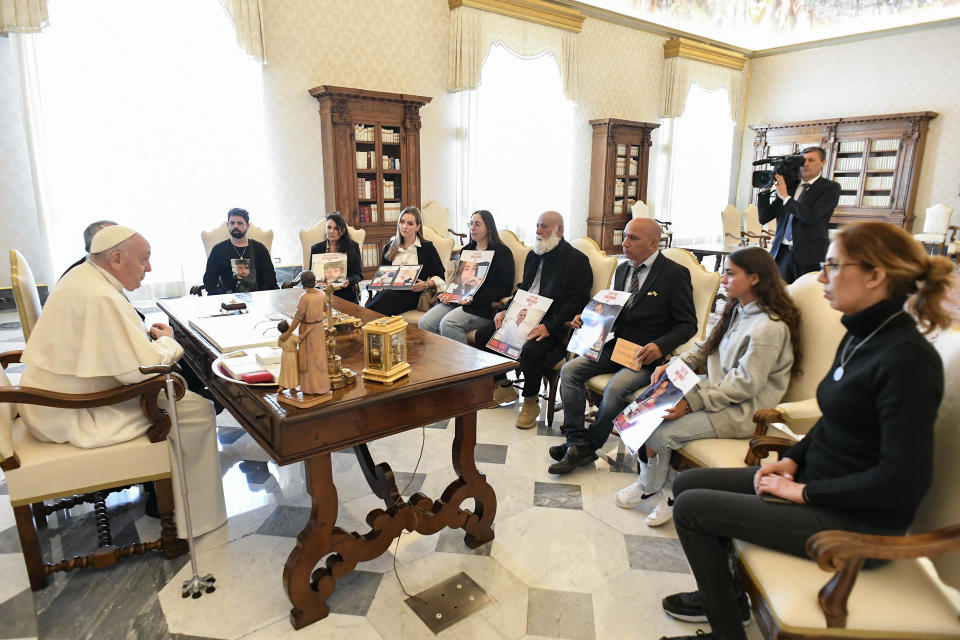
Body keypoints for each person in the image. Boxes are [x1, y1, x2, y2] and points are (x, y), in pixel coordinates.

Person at [657, 222, 954, 640]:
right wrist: (793, 461)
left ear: (875, 275)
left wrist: (804, 492)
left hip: (855, 521)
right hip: (822, 484)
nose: (821, 276)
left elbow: (903, 479)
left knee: (691, 510)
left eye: (833, 265)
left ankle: (727, 630)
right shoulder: (862, 335)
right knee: (688, 483)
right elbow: (834, 421)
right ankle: (727, 597)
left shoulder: (907, 359)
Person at [18, 225, 227, 538]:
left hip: (50, 403)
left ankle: (167, 495)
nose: (150, 268)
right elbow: (142, 371)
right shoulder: (100, 296)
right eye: (144, 259)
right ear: (116, 258)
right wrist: (170, 343)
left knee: (186, 398)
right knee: (195, 409)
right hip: (72, 412)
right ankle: (196, 518)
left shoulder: (82, 277)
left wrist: (143, 340)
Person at [615, 246, 801, 527]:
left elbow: (743, 386)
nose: (723, 278)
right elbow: (704, 349)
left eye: (730, 273)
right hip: (715, 393)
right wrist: (672, 366)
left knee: (658, 434)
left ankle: (657, 490)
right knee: (643, 410)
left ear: (754, 278)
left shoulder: (768, 328)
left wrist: (689, 403)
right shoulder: (739, 310)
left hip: (742, 411)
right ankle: (656, 486)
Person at [549, 218, 697, 473]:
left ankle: (589, 445)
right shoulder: (622, 269)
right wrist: (588, 320)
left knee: (616, 388)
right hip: (615, 347)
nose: (624, 243)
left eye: (632, 238)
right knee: (570, 370)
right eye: (625, 236)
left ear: (653, 242)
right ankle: (575, 440)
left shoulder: (674, 274)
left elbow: (688, 324)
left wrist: (660, 346)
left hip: (645, 356)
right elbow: (614, 312)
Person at [474, 211, 592, 429]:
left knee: (531, 349)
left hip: (552, 323)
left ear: (559, 230)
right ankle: (503, 384)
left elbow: (577, 302)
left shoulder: (576, 261)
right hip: (522, 315)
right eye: (537, 225)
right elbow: (524, 290)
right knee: (483, 335)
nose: (538, 231)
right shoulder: (533, 254)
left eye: (544, 227)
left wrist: (550, 326)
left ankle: (530, 401)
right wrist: (506, 310)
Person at [419, 210, 515, 344]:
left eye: (477, 224)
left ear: (488, 227)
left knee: (448, 324)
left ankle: (462, 364)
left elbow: (504, 287)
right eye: (471, 224)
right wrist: (449, 294)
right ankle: (441, 360)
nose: (472, 228)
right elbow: (458, 280)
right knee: (425, 323)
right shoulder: (466, 250)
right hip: (457, 301)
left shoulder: (502, 252)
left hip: (482, 306)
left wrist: (473, 299)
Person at [758, 146, 841, 283]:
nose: (806, 164)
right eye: (803, 160)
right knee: (779, 297)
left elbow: (812, 217)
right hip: (781, 254)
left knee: (805, 299)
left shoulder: (830, 188)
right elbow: (764, 217)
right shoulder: (789, 187)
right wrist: (766, 191)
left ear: (823, 163)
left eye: (811, 160)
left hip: (810, 257)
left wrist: (785, 197)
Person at [365, 206, 446, 316]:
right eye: (402, 222)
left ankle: (363, 318)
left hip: (413, 295)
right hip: (388, 292)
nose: (404, 226)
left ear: (418, 227)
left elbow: (441, 277)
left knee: (385, 299)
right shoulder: (389, 247)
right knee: (386, 296)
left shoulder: (427, 248)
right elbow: (382, 275)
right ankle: (368, 320)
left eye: (410, 223)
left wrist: (426, 284)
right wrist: (379, 285)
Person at [202, 207, 278, 295]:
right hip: (227, 300)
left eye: (240, 223)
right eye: (232, 223)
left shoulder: (260, 249)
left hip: (257, 299)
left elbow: (270, 279)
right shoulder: (218, 250)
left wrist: (261, 297)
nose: (235, 226)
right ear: (228, 225)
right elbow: (210, 280)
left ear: (247, 225)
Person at [280, 271, 330, 396]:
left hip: (308, 329)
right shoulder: (322, 294)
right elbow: (326, 309)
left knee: (309, 360)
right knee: (319, 358)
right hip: (319, 328)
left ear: (303, 283)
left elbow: (298, 318)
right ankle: (322, 386)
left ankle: (311, 388)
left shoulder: (305, 298)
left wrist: (288, 333)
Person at [308, 212, 363, 304]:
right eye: (329, 227)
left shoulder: (353, 247)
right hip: (321, 292)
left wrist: (349, 281)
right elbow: (312, 273)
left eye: (336, 228)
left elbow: (358, 275)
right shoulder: (316, 249)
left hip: (343, 292)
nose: (331, 231)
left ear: (343, 231)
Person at [276, 320, 300, 392]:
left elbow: (279, 345)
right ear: (289, 327)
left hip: (284, 355)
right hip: (292, 355)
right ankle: (292, 388)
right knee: (292, 371)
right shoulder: (292, 336)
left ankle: (281, 386)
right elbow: (299, 340)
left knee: (284, 371)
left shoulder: (280, 337)